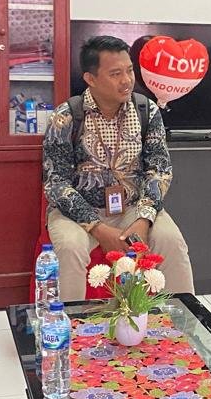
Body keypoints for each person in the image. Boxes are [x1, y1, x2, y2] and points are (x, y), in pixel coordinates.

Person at [44, 35, 194, 300]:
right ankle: (69, 322)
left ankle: (185, 320)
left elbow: (159, 170)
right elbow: (56, 183)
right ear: (90, 79)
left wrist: (144, 219)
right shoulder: (66, 116)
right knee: (70, 247)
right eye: (115, 74)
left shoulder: (146, 110)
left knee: (171, 241)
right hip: (77, 213)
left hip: (135, 207)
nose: (126, 80)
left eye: (129, 71)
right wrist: (98, 228)